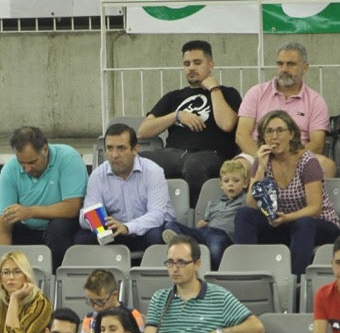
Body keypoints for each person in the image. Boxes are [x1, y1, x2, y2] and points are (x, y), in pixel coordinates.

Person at [232, 110, 340, 276]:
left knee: (303, 223)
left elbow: (315, 208)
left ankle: (296, 281)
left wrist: (287, 218)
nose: (274, 136)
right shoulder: (262, 161)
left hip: (318, 223)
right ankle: (246, 274)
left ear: (291, 134)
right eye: (269, 131)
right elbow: (252, 204)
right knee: (244, 215)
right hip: (283, 224)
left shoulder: (307, 161)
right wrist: (261, 167)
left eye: (280, 130)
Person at [137, 39, 242, 206]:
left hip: (211, 154)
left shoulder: (228, 93)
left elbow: (227, 124)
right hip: (174, 153)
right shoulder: (173, 97)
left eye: (197, 63)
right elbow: (143, 131)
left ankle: (195, 217)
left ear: (211, 65)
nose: (191, 68)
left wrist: (214, 89)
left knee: (194, 166)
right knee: (136, 161)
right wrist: (177, 115)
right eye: (187, 64)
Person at [0, 125, 87, 270]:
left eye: (32, 162)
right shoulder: (10, 170)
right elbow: (4, 223)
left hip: (62, 230)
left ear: (45, 149)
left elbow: (73, 207)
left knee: (58, 227)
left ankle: (56, 279)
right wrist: (5, 267)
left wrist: (30, 212)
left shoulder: (68, 158)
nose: (27, 169)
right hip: (28, 229)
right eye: (22, 163)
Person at [234, 41, 335, 177]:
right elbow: (241, 135)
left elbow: (317, 144)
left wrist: (289, 160)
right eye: (280, 64)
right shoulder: (256, 93)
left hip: (297, 157)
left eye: (291, 64)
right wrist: (261, 158)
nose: (284, 69)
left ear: (305, 68)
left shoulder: (315, 101)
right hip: (258, 154)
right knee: (237, 169)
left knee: (327, 166)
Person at [77, 122, 173, 250]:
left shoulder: (153, 171)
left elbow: (157, 215)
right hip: (116, 231)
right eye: (109, 148)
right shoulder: (97, 175)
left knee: (155, 235)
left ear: (135, 149)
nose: (114, 155)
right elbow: (90, 210)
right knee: (81, 238)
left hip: (145, 229)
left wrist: (127, 227)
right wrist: (96, 222)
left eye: (121, 148)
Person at [161, 158, 247, 270]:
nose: (231, 184)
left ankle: (210, 272)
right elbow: (207, 221)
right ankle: (183, 245)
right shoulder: (213, 203)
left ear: (245, 183)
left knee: (215, 250)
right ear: (221, 185)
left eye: (236, 181)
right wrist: (201, 224)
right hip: (204, 231)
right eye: (226, 181)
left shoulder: (245, 200)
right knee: (170, 225)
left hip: (222, 234)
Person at [77, 269, 144, 333]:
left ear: (115, 295)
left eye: (101, 301)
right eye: (91, 301)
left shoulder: (133, 315)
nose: (95, 306)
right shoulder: (89, 318)